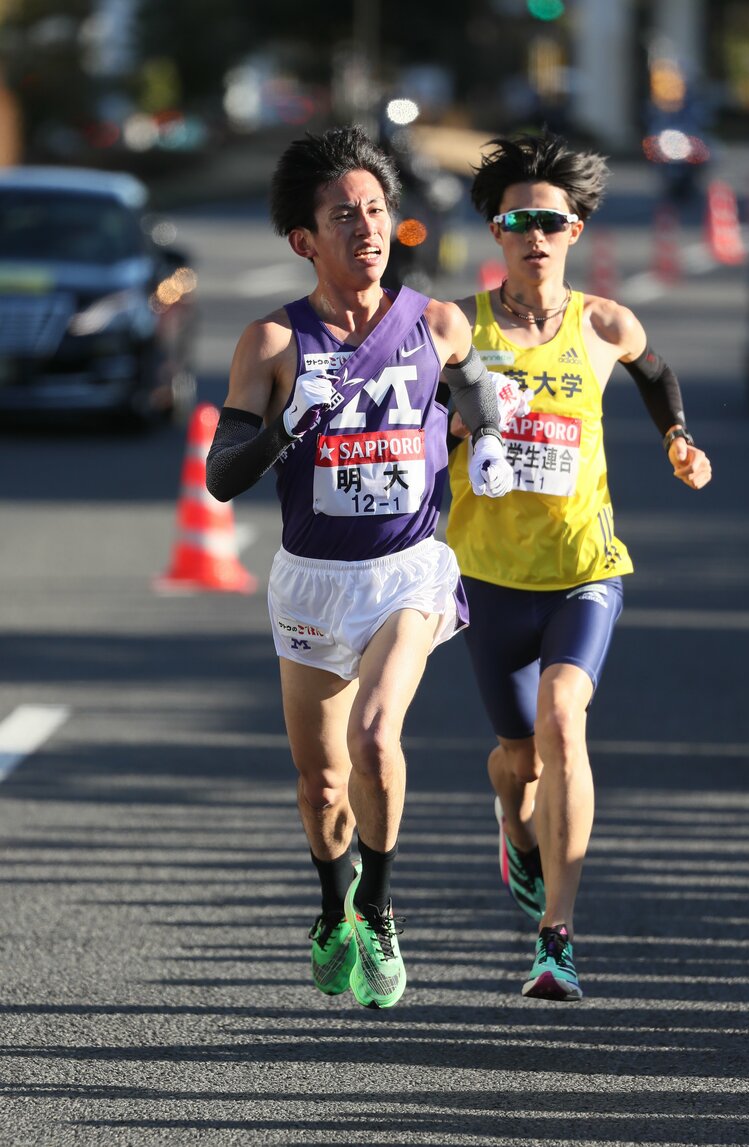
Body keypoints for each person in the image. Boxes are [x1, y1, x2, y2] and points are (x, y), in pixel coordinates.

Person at [205, 125, 513, 1010]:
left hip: (407, 570)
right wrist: (280, 428)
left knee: (377, 737)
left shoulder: (436, 322)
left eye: (376, 210)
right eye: (343, 216)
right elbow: (223, 479)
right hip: (310, 579)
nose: (367, 229)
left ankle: (376, 904)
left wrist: (485, 434)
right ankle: (331, 898)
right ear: (304, 239)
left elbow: (478, 379)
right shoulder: (271, 343)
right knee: (321, 781)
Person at [445, 131, 712, 1001]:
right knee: (514, 760)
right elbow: (411, 405)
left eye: (549, 221)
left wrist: (675, 436)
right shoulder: (460, 325)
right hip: (487, 571)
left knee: (565, 717)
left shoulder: (603, 322)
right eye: (518, 219)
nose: (534, 234)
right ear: (495, 229)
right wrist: (448, 428)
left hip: (583, 565)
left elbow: (655, 370)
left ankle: (554, 935)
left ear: (575, 228)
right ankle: (515, 834)